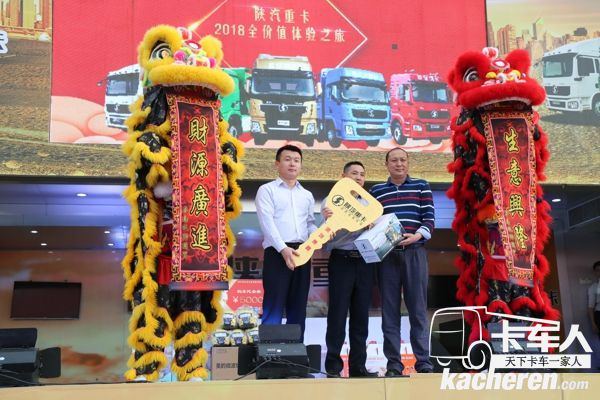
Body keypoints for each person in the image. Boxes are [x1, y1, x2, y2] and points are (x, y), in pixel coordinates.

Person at [369, 147, 435, 376]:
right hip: (387, 255)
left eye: (403, 160)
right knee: (389, 312)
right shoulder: (376, 190)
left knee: (418, 310)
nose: (399, 164)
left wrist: (416, 236)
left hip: (415, 252)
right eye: (394, 160)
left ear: (408, 162)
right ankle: (394, 365)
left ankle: (423, 363)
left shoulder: (421, 186)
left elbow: (429, 219)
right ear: (386, 164)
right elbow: (372, 221)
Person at [322, 161, 377, 378]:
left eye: (362, 174)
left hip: (364, 261)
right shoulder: (332, 200)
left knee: (361, 316)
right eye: (354, 173)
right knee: (337, 314)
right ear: (343, 176)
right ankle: (333, 367)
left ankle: (358, 367)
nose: (358, 177)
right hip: (341, 260)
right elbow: (331, 230)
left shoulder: (370, 204)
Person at [255, 145, 317, 338]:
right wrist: (283, 249)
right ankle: (269, 352)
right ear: (277, 163)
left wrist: (319, 235)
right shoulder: (267, 190)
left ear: (301, 165)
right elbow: (267, 223)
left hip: (302, 253)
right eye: (287, 159)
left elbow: (310, 224)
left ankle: (296, 351)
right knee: (273, 304)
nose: (292, 164)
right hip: (277, 251)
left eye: (296, 160)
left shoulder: (306, 195)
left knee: (298, 305)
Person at [588, 261, 600, 338]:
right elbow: (590, 307)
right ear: (595, 272)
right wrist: (593, 324)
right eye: (598, 270)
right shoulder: (593, 287)